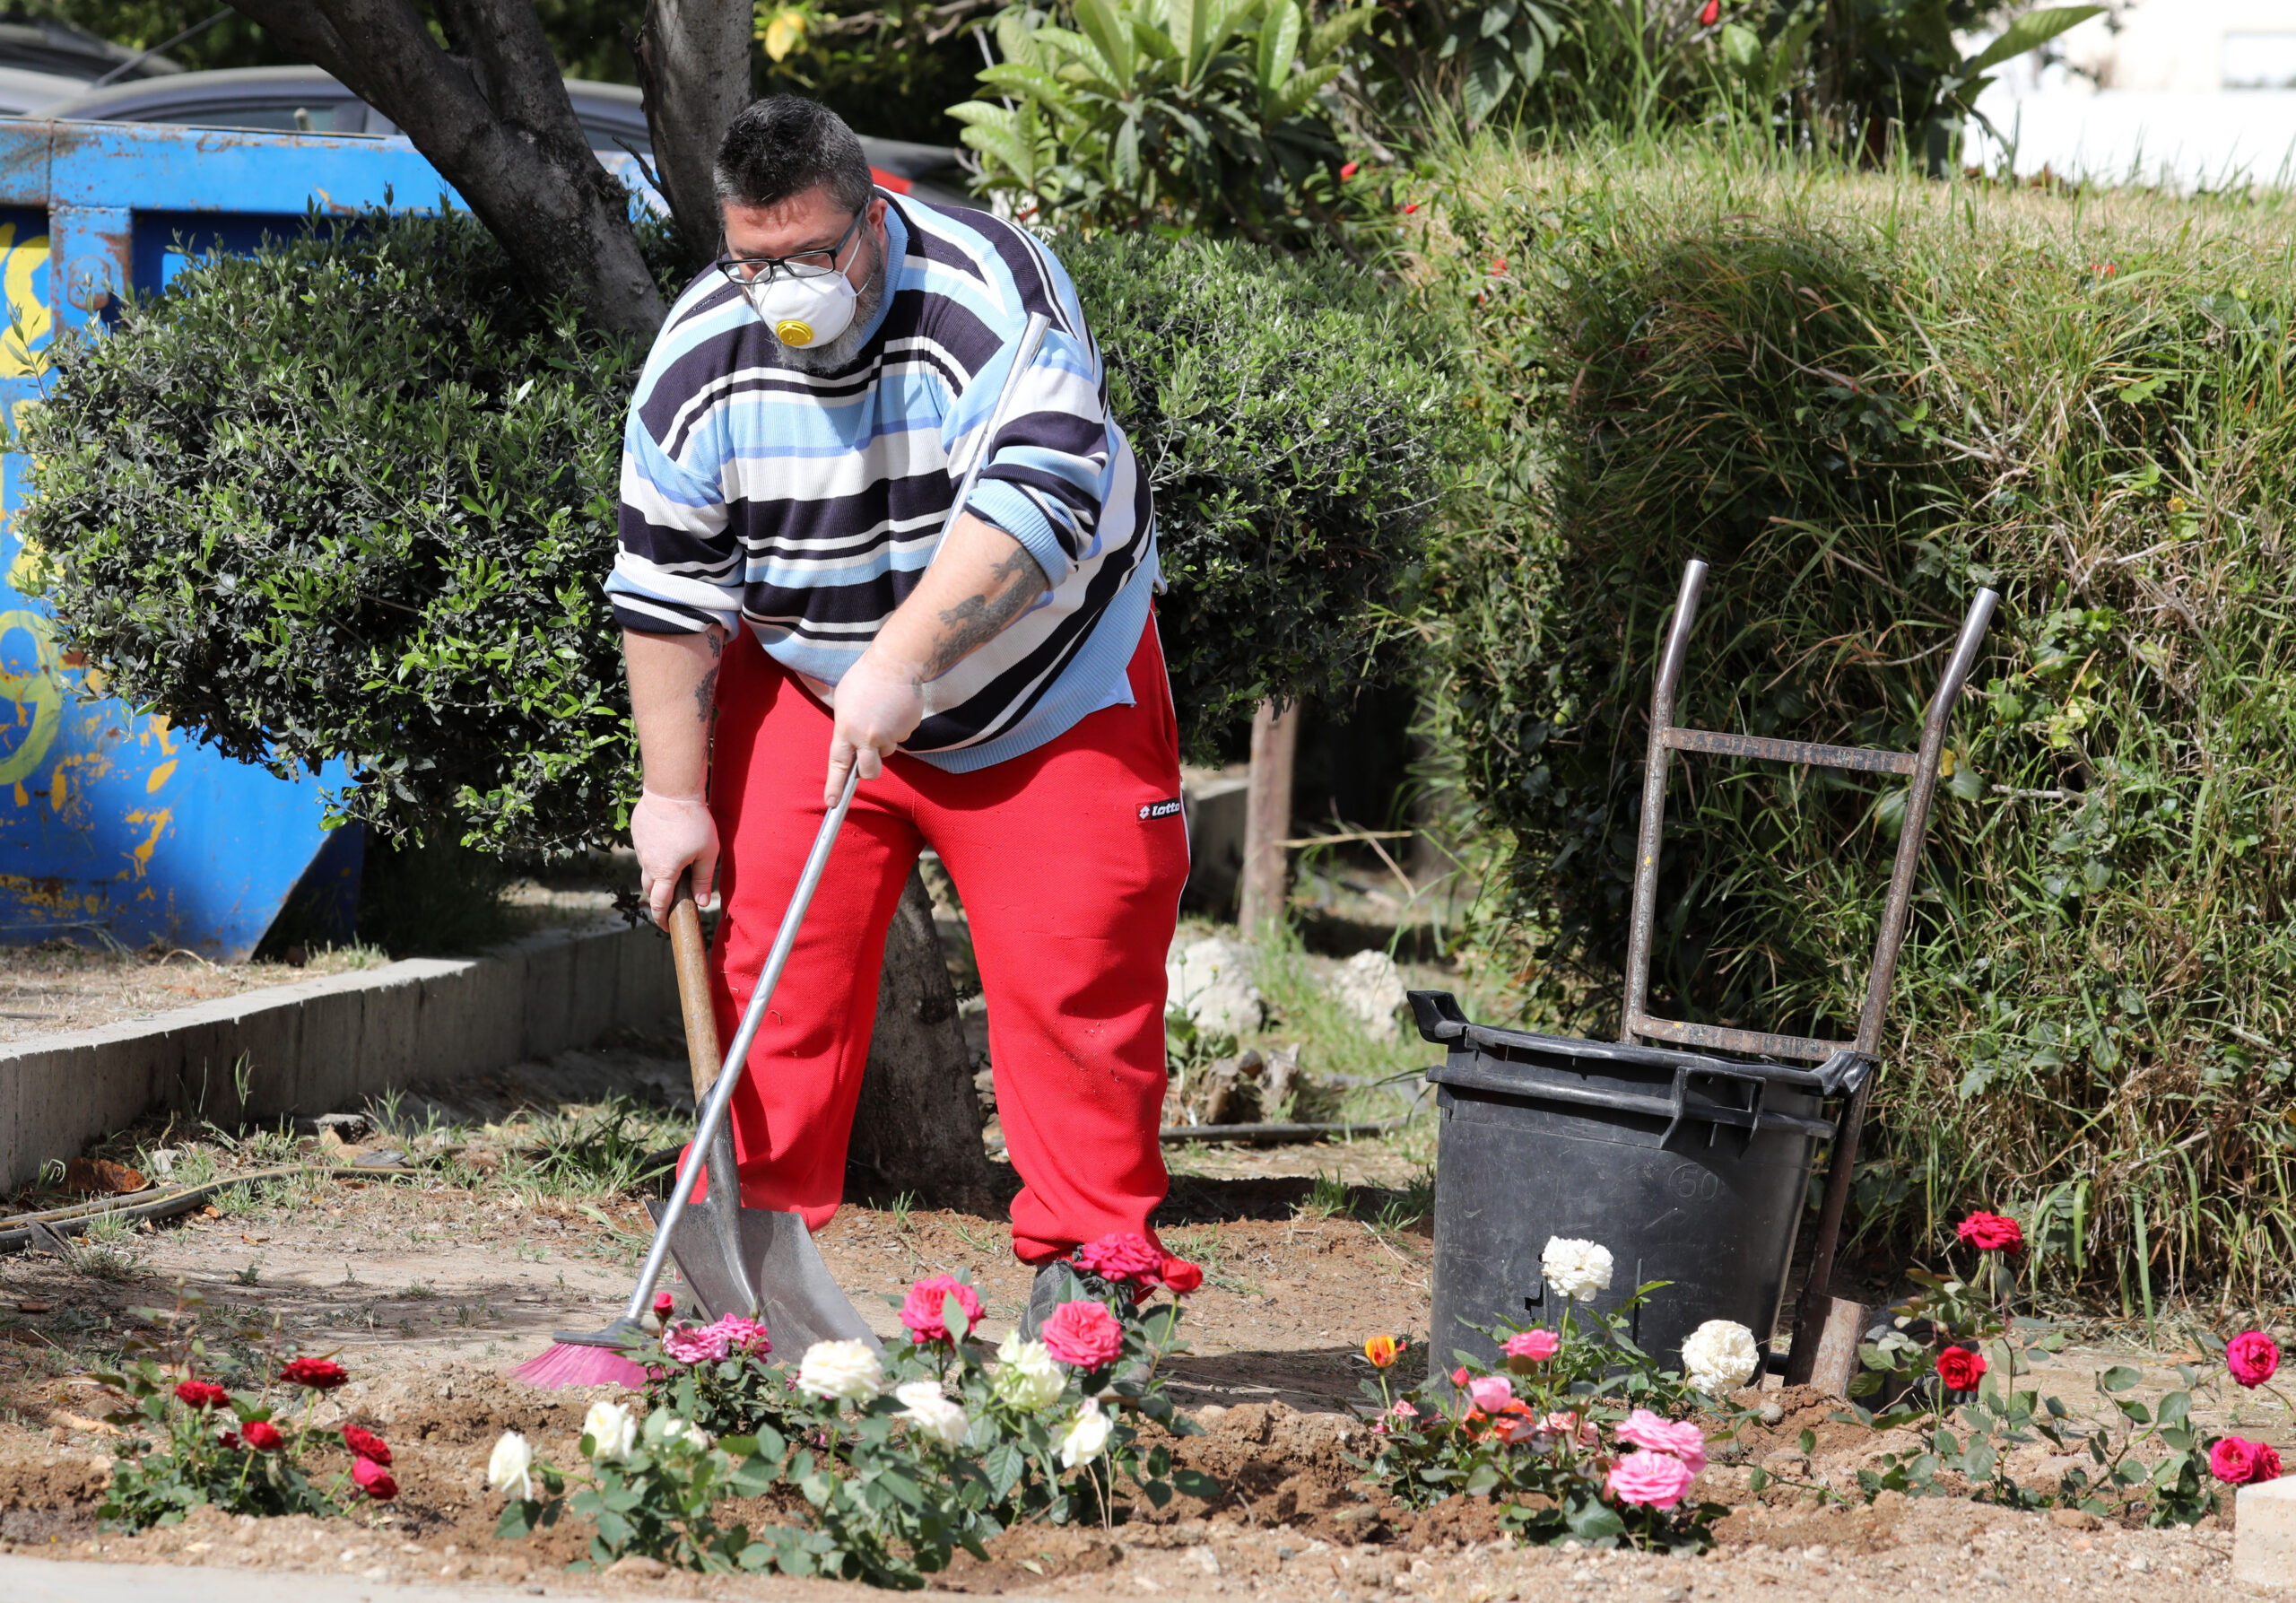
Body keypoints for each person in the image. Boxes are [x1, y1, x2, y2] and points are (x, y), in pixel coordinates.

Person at [607, 96, 1182, 1326]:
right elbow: (668, 586)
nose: (785, 288)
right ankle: (730, 1294)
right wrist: (671, 795)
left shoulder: (989, 295)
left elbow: (1041, 502)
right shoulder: (699, 355)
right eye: (754, 261)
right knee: (771, 969)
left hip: (1046, 693)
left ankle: (1093, 1298)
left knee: (1081, 986)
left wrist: (910, 661)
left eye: (812, 254)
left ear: (875, 218)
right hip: (818, 683)